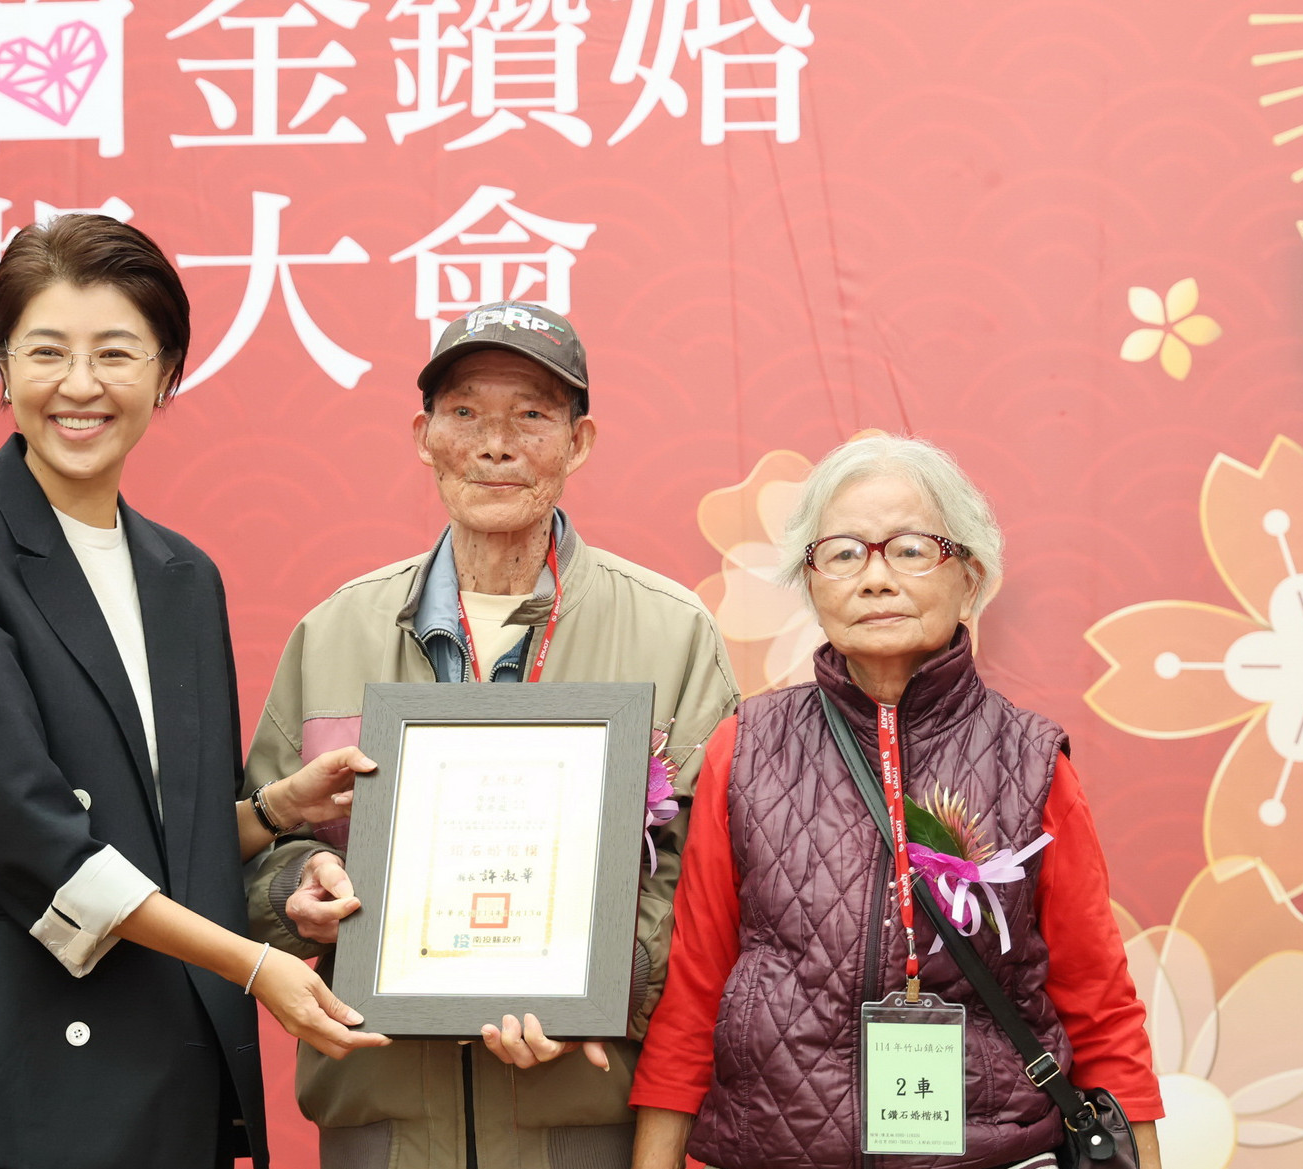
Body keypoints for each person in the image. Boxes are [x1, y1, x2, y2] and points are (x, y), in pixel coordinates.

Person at [0, 214, 387, 1169]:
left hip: (165, 1069)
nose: (79, 384)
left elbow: (159, 840)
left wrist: (273, 811)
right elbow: (35, 839)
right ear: (3, 365)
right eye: (45, 351)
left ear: (166, 371)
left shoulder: (184, 577)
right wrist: (255, 965)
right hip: (7, 1082)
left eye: (115, 352)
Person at [241, 301, 741, 1168]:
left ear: (579, 442)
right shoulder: (333, 633)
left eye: (532, 415)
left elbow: (707, 877)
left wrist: (603, 983)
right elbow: (257, 841)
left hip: (579, 1121)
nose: (496, 445)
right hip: (382, 1126)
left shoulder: (673, 633)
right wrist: (294, 892)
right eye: (466, 412)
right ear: (423, 436)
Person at [630, 434, 1166, 1169]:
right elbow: (694, 998)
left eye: (911, 549)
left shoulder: (1032, 761)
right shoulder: (745, 747)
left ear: (970, 579)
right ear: (811, 584)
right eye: (844, 553)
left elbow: (1101, 1012)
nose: (875, 578)